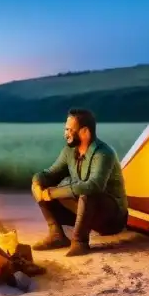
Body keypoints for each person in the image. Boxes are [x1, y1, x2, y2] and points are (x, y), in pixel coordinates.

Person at [31, 108, 128, 257]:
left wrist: (52, 193)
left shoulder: (104, 153)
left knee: (88, 193)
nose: (66, 134)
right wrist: (37, 183)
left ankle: (79, 242)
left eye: (70, 130)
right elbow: (49, 174)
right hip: (84, 211)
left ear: (85, 132)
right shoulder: (69, 151)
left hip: (111, 219)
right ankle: (56, 236)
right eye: (66, 129)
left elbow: (94, 185)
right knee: (40, 185)